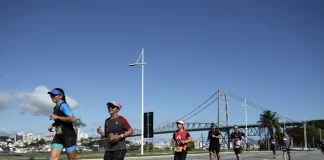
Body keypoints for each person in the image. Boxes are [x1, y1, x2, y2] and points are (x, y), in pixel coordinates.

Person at [47, 88, 77, 160]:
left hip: (68, 136)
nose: (52, 96)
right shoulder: (55, 107)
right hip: (58, 136)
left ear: (61, 96)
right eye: (51, 95)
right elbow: (59, 121)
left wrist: (57, 117)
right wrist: (53, 125)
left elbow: (72, 119)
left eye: (54, 95)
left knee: (72, 159)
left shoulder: (63, 105)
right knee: (53, 158)